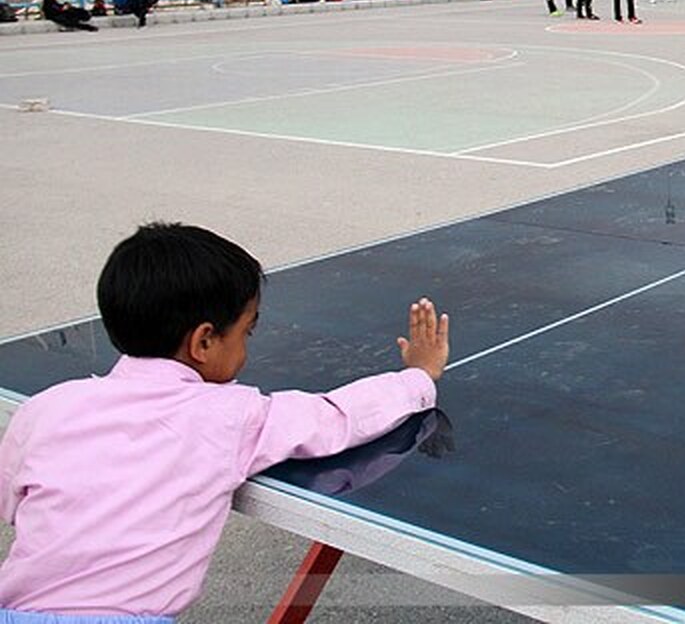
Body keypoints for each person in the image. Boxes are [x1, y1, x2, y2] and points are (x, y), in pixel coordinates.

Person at [0, 222, 449, 620]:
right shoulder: (231, 416)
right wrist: (417, 376)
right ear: (204, 341)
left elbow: (12, 505)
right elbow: (336, 417)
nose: (247, 345)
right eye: (246, 330)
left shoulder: (45, 408)